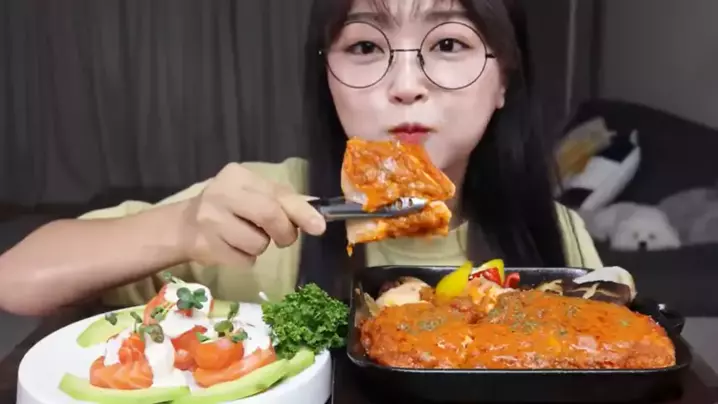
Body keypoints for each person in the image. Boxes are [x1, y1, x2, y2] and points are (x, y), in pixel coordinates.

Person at [0, 0, 601, 316]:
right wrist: (182, 228)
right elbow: (15, 280)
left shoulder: (558, 236)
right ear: (327, 79)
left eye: (448, 43)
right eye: (364, 46)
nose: (405, 84)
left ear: (503, 81)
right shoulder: (259, 208)